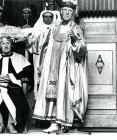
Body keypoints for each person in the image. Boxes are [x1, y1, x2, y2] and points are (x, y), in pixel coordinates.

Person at [33, 0, 88, 133]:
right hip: (52, 65)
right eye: (64, 10)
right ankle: (54, 123)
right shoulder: (53, 28)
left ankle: (63, 122)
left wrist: (75, 40)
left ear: (73, 13)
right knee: (52, 92)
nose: (67, 13)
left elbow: (83, 49)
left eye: (69, 11)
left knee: (64, 92)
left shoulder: (76, 28)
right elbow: (42, 45)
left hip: (67, 66)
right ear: (61, 12)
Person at [29, 10, 61, 99]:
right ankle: (37, 96)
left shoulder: (56, 28)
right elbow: (32, 43)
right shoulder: (37, 28)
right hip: (39, 56)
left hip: (52, 55)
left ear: (52, 18)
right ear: (42, 18)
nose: (47, 19)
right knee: (38, 74)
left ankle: (51, 96)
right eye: (45, 17)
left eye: (50, 17)